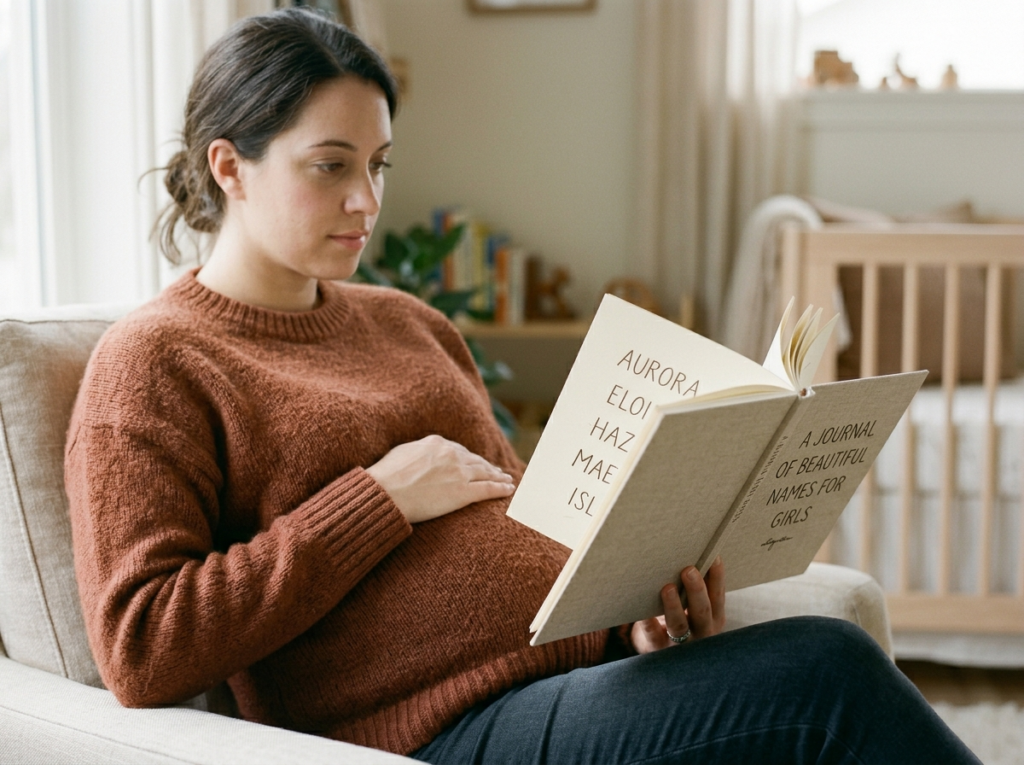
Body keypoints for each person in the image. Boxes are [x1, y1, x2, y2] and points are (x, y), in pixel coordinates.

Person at [64, 8, 978, 764]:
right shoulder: (157, 360)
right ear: (231, 167)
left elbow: (536, 527)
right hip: (432, 732)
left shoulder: (409, 323)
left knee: (813, 675)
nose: (367, 202)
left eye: (378, 165)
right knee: (825, 671)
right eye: (330, 165)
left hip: (572, 683)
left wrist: (635, 625)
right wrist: (375, 499)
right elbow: (143, 647)